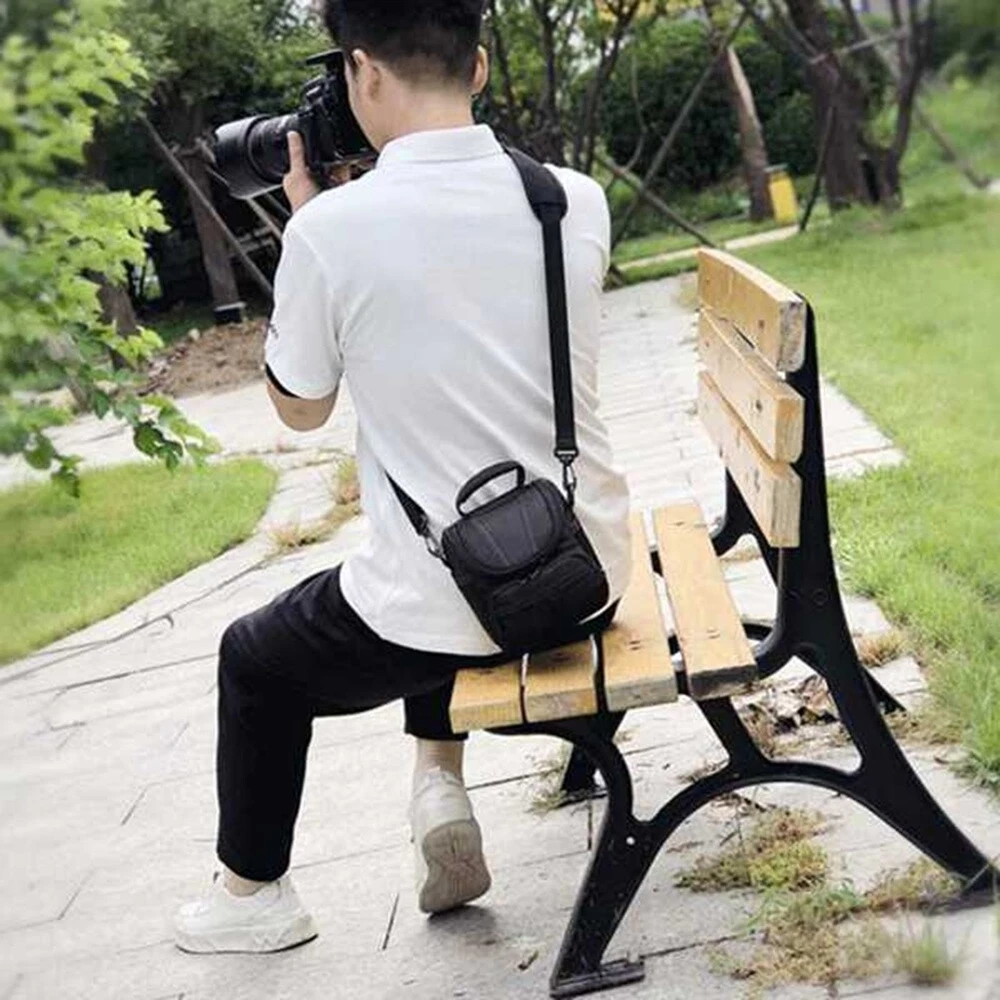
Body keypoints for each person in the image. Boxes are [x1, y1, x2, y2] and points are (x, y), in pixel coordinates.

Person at [174, 0, 630, 954]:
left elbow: (300, 408)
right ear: (479, 67)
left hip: (460, 602)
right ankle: (437, 787)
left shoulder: (332, 232)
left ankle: (252, 900)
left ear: (363, 70)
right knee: (429, 553)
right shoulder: (572, 198)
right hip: (588, 573)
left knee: (257, 658)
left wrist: (309, 238)